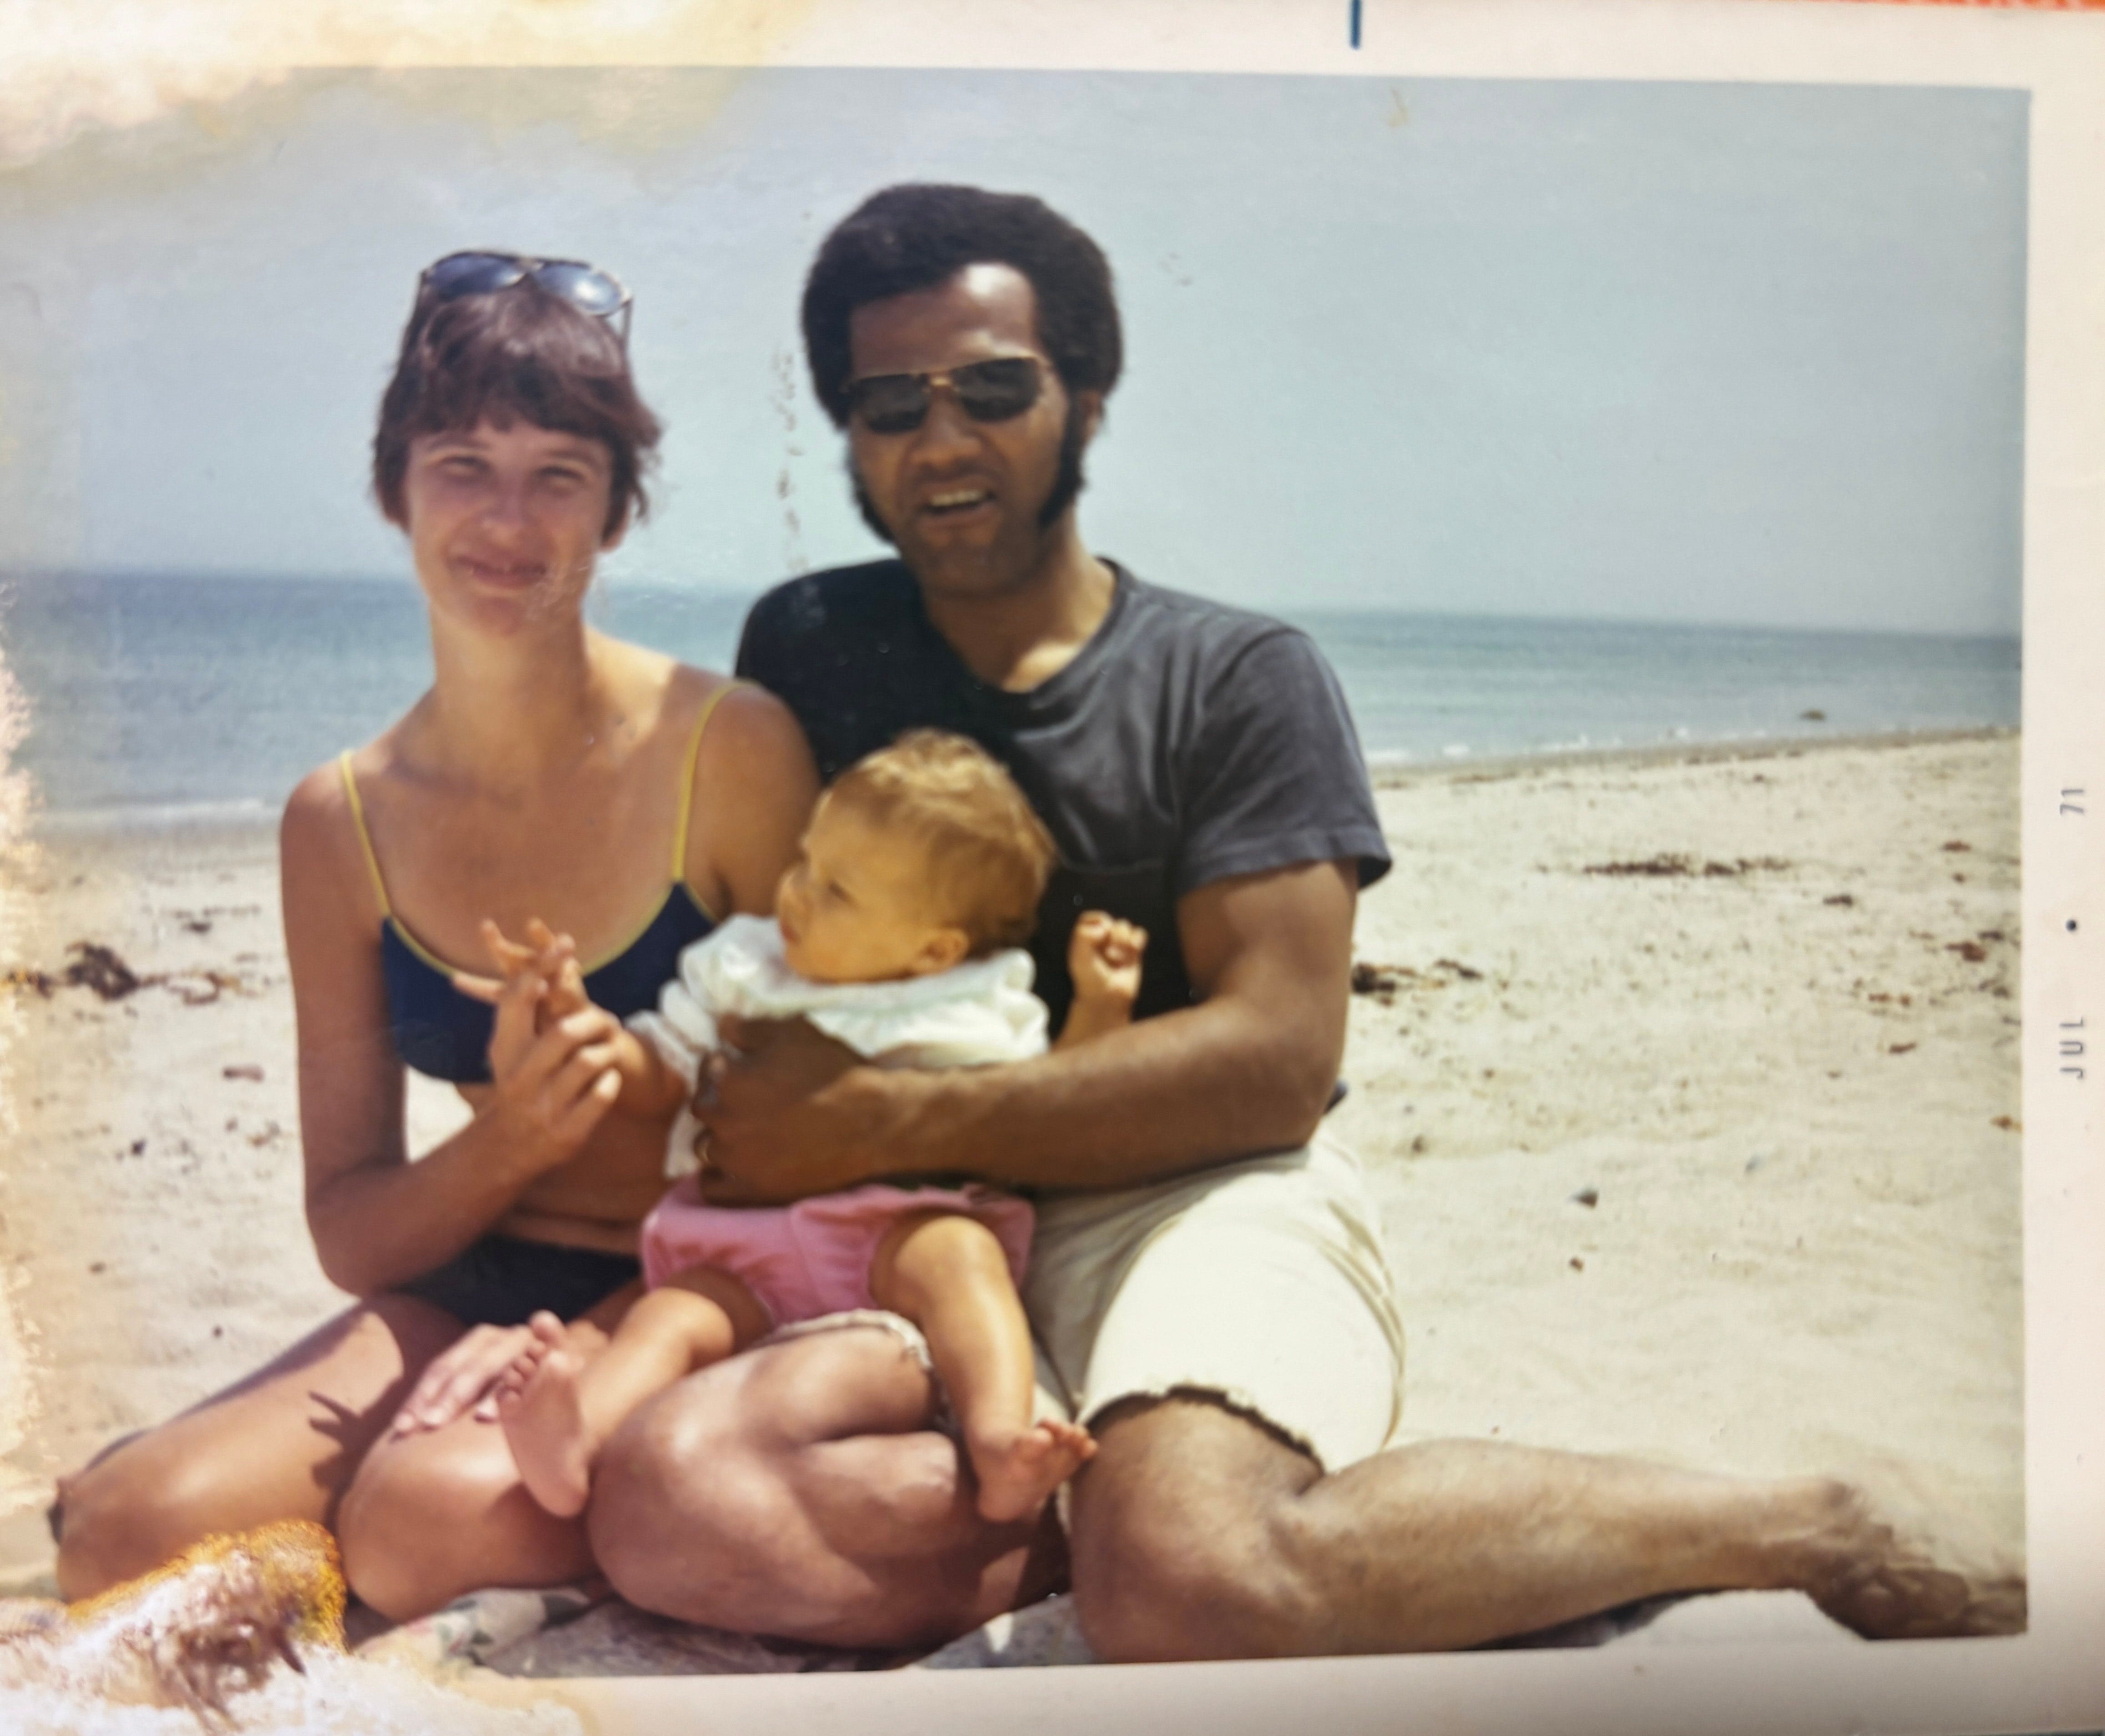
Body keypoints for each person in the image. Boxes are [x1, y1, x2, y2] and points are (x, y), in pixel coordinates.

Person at [580, 183, 2027, 1659]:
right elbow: (752, 965)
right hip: (889, 1226)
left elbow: (1274, 1059)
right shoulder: (811, 644)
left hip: (1178, 1196)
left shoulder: (1234, 679)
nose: (940, 440)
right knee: (663, 1510)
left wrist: (873, 1118)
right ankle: (1100, 1516)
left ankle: (1801, 1520)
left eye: (994, 390)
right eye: (889, 405)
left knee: (1190, 1577)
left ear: (1086, 399)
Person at [50, 251, 820, 1622]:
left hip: (701, 1287)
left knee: (422, 1518)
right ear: (393, 489)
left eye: (558, 475)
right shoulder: (340, 820)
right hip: (468, 1280)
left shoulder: (728, 750)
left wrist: (600, 1292)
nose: (507, 521)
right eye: (462, 465)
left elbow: (834, 1124)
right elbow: (353, 1230)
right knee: (121, 1535)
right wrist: (512, 1139)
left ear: (618, 512)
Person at [482, 731, 1131, 1527]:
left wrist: (1100, 1009)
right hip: (746, 1248)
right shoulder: (745, 966)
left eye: (837, 891)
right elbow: (661, 1069)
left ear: (934, 949)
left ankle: (1000, 1439)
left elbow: (1043, 1102)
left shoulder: (973, 1001)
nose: (796, 892)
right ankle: (574, 1441)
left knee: (962, 1258)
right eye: (805, 862)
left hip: (895, 1235)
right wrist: (588, 1028)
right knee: (673, 1315)